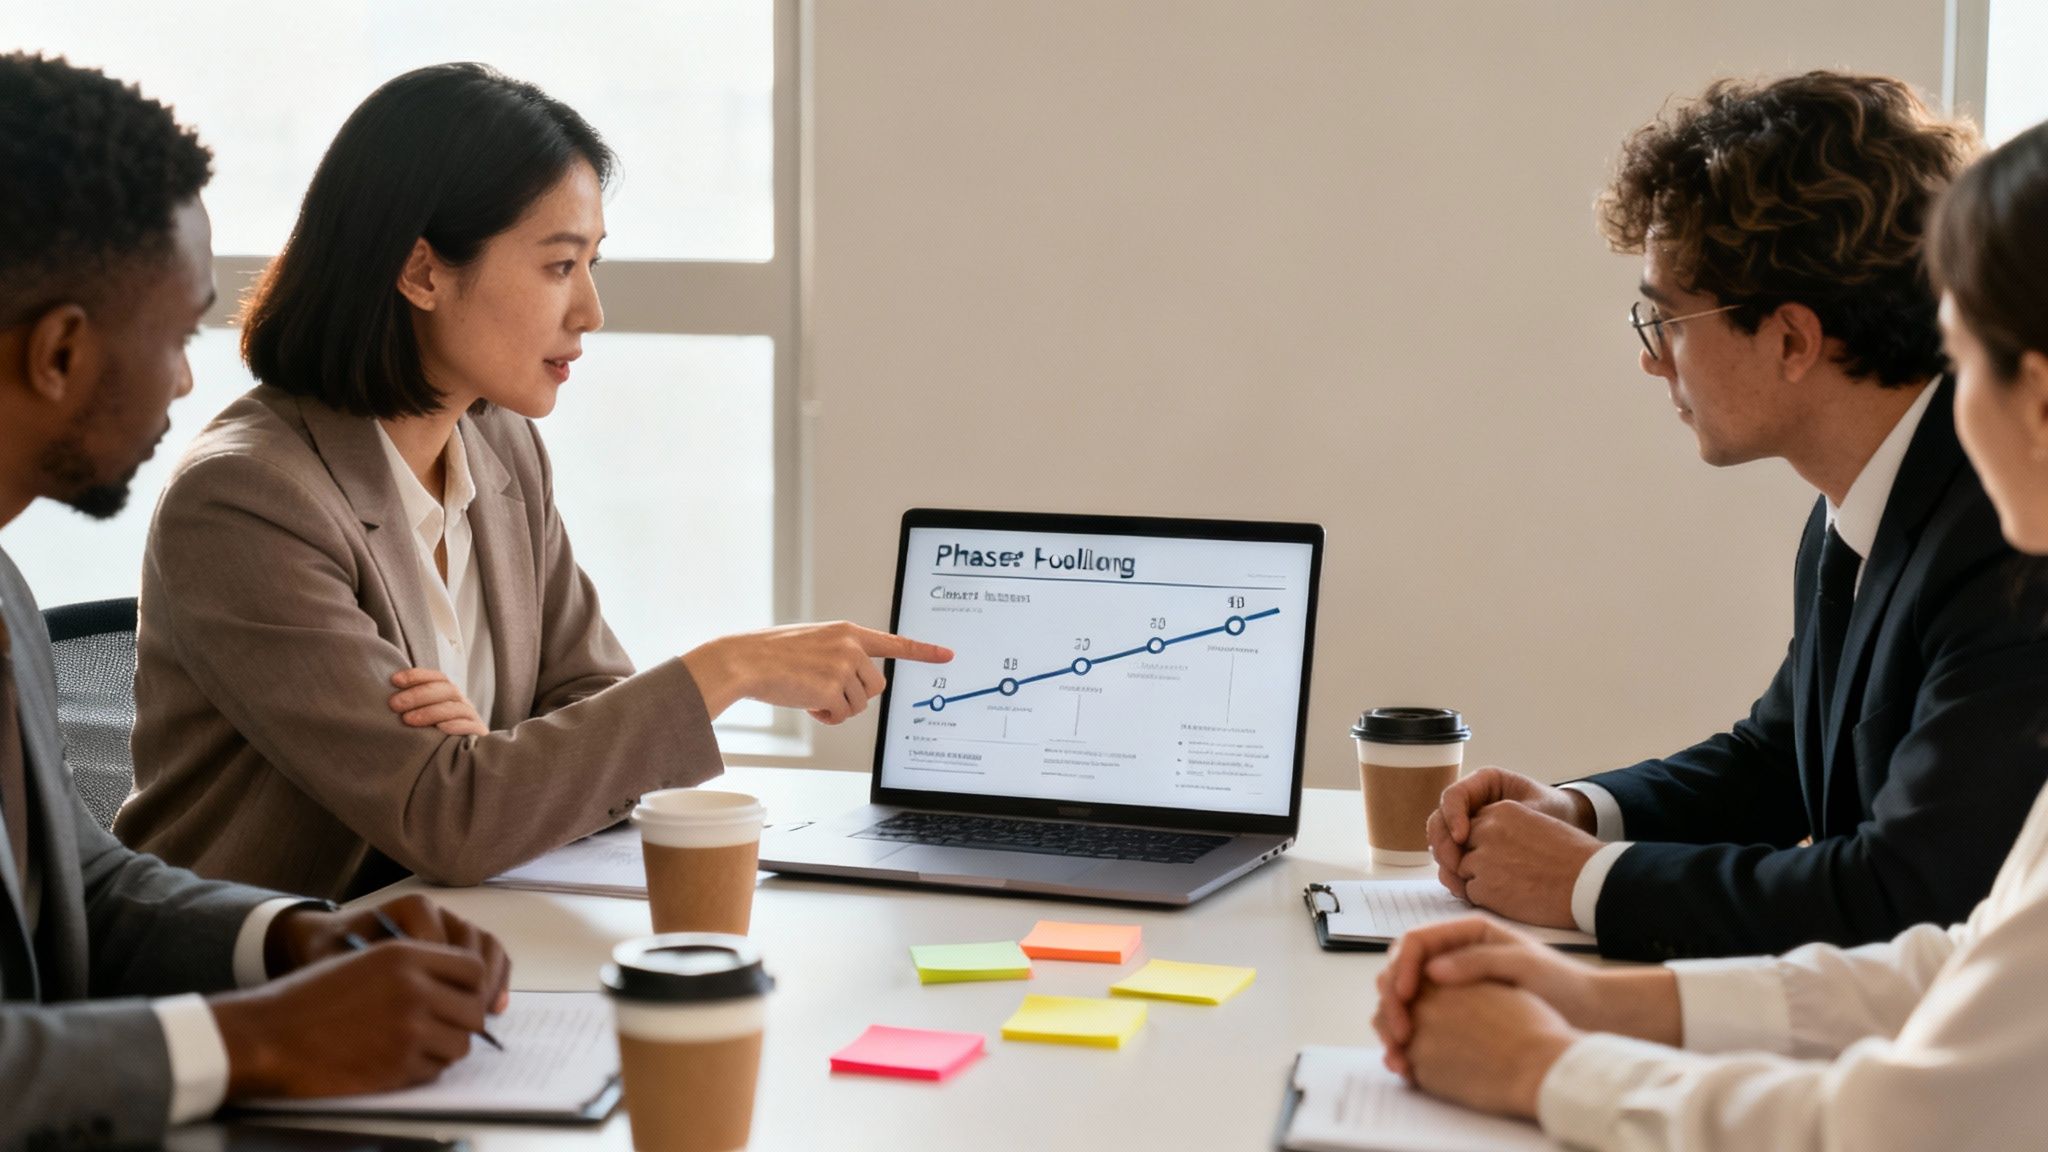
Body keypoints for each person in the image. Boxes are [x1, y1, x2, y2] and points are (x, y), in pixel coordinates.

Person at [113, 63, 952, 902]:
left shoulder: (499, 447)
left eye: (593, 263)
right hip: (256, 983)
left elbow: (585, 698)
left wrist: (495, 767)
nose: (590, 309)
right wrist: (723, 671)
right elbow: (452, 818)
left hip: (441, 937)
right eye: (559, 266)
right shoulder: (247, 501)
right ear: (423, 272)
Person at [1372, 116, 2048, 1151]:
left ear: (1789, 340)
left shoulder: (2001, 555)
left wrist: (1546, 1044)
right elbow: (1958, 949)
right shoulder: (1863, 505)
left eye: (1667, 322)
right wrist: (1582, 828)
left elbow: (1911, 927)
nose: (1653, 364)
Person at [0, 52, 514, 1148]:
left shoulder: (1, 588)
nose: (189, 380)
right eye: (180, 331)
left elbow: (72, 886)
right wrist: (255, 1042)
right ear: (59, 352)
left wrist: (293, 943)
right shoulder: (249, 490)